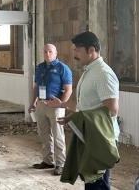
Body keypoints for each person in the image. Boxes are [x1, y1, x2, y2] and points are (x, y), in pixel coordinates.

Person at [45, 31, 119, 190]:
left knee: (97, 185)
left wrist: (80, 118)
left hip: (101, 138)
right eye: (74, 50)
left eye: (77, 50)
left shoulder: (103, 74)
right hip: (92, 135)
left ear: (91, 50)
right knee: (91, 182)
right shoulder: (90, 71)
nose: (74, 54)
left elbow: (111, 110)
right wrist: (62, 105)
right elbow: (85, 104)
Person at [28, 44, 72, 176]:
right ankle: (48, 160)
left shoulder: (63, 68)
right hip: (41, 104)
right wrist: (33, 103)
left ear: (56, 53)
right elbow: (36, 87)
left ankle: (61, 164)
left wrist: (61, 104)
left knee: (58, 135)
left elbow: (68, 89)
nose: (48, 54)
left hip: (55, 106)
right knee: (44, 133)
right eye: (45, 52)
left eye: (50, 52)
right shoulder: (40, 67)